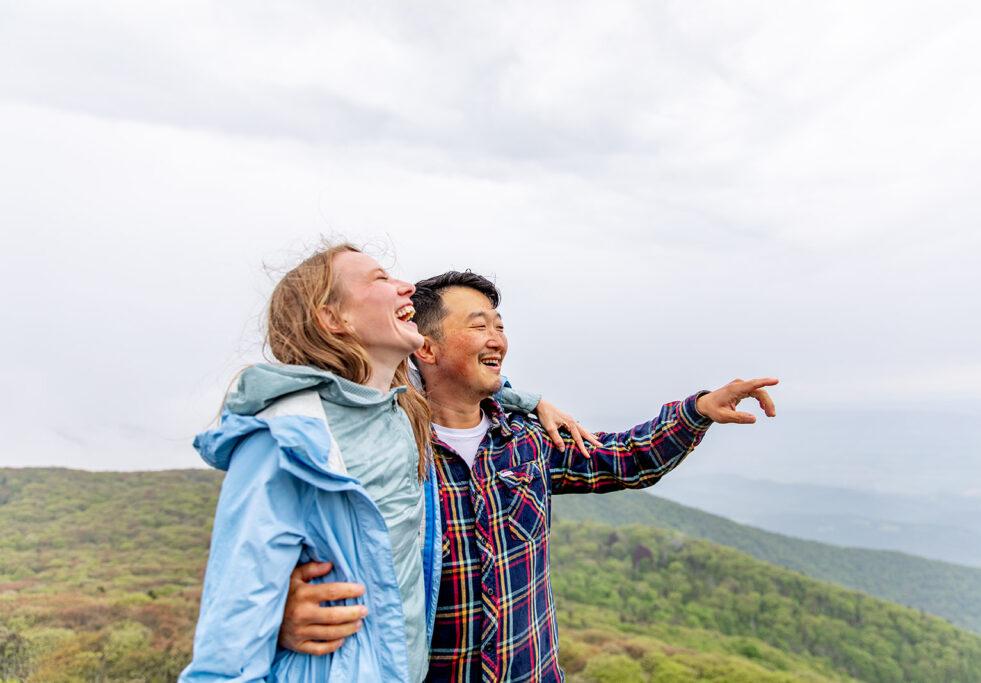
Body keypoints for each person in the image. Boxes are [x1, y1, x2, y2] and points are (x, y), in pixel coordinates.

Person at [279, 270, 776, 682]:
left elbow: (626, 460)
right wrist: (283, 610)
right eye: (479, 326)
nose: (498, 339)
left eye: (500, 325)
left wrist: (700, 410)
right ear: (425, 349)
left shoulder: (529, 441)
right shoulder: (388, 452)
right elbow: (305, 552)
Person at [180, 246, 589, 683]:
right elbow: (226, 651)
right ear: (333, 319)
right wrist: (274, 612)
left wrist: (531, 400)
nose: (406, 286)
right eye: (378, 279)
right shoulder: (286, 438)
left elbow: (462, 373)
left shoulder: (402, 415)